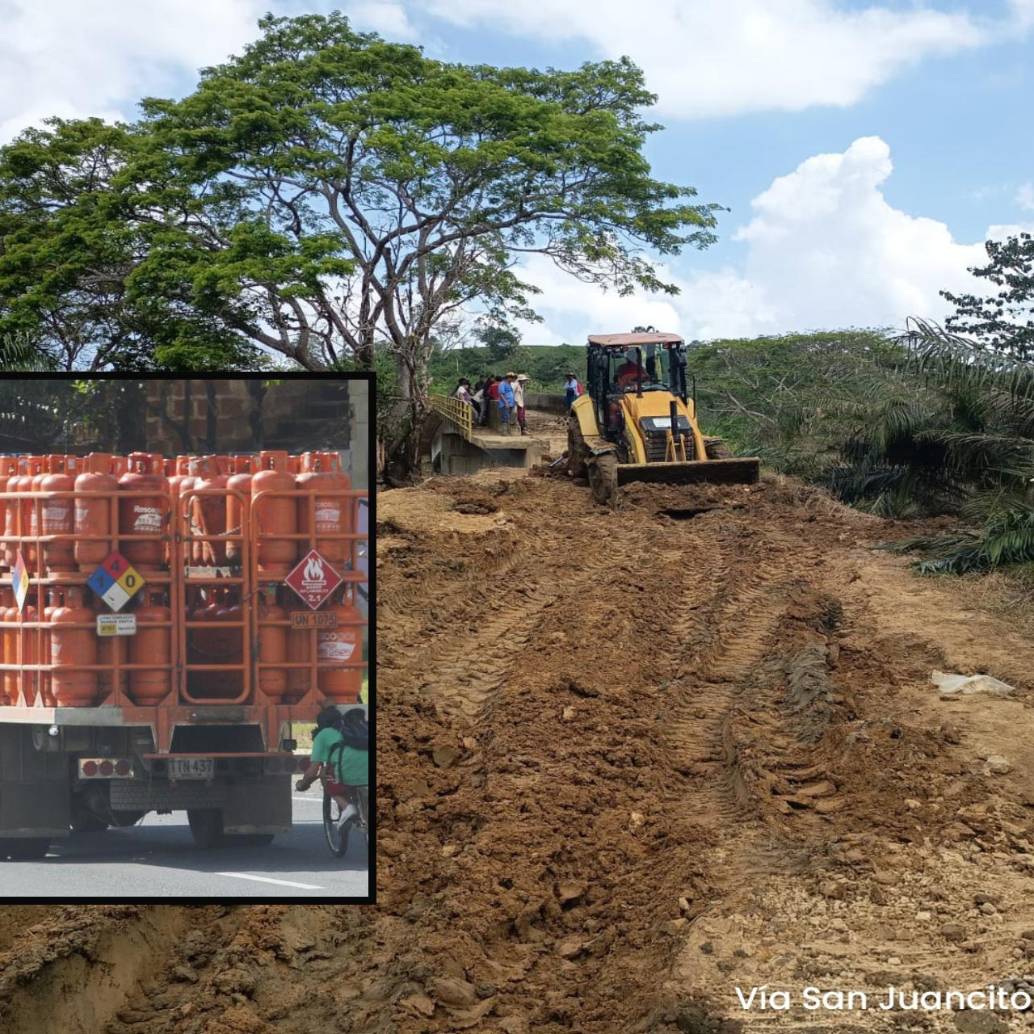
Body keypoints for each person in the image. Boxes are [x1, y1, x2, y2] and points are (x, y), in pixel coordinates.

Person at [296, 706, 369, 828]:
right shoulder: (360, 728)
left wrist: (303, 784)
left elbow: (313, 771)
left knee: (326, 775)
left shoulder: (323, 734)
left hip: (348, 774)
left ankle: (347, 807)